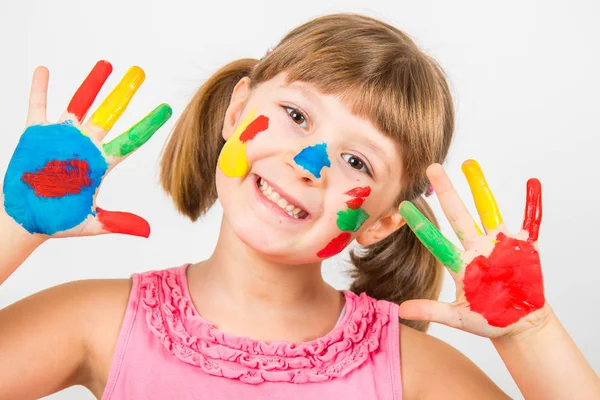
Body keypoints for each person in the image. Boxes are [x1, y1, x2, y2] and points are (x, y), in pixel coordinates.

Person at [0, 12, 598, 400]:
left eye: (358, 162)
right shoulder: (102, 320)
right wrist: (16, 225)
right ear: (237, 113)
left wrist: (529, 333)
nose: (308, 164)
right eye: (295, 116)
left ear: (387, 219)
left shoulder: (409, 370)